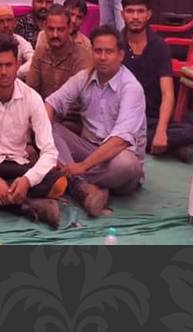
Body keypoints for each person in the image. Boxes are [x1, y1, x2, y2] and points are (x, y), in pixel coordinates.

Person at [0, 34, 67, 228]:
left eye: (9, 65)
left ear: (17, 65)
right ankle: (25, 205)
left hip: (18, 165)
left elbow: (49, 151)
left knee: (60, 183)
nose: (4, 72)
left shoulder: (31, 97)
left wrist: (27, 181)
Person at [45, 25, 146, 216]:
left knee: (127, 165)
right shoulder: (84, 77)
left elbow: (119, 142)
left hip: (117, 158)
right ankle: (83, 188)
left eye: (109, 52)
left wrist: (82, 166)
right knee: (49, 126)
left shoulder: (131, 88)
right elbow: (51, 103)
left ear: (121, 55)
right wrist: (43, 138)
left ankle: (69, 180)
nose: (102, 57)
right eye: (98, 51)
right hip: (88, 150)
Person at [120, 0, 193, 161]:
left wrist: (161, 131)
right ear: (122, 14)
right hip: (123, 116)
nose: (135, 17)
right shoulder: (116, 44)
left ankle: (152, 141)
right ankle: (170, 147)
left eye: (140, 11)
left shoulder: (159, 46)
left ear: (148, 14)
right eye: (130, 11)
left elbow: (167, 93)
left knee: (189, 131)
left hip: (152, 119)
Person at [26, 5, 93, 100]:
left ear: (69, 28)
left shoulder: (82, 56)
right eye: (51, 29)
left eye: (60, 30)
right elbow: (31, 91)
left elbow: (80, 99)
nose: (55, 35)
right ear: (44, 27)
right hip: (41, 107)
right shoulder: (40, 52)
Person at [0, 4, 34, 78]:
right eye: (1, 21)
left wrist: (15, 73)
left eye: (9, 20)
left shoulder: (20, 41)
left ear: (14, 23)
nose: (6, 25)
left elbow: (33, 60)